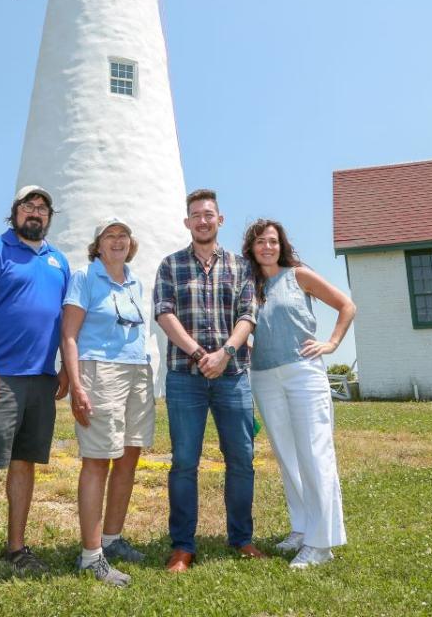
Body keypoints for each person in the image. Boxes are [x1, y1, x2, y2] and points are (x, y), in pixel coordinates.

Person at [0, 185, 71, 593]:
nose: (35, 213)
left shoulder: (59, 261)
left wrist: (62, 367)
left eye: (42, 207)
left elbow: (62, 319)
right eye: (28, 206)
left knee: (25, 461)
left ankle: (16, 548)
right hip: (1, 376)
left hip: (42, 379)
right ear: (15, 212)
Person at [153, 188, 262, 572]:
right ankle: (183, 545)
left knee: (242, 459)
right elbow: (164, 314)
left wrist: (225, 353)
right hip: (185, 378)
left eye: (209, 214)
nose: (203, 220)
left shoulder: (240, 266)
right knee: (184, 462)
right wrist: (200, 355)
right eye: (196, 214)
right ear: (187, 222)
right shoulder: (169, 266)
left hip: (233, 376)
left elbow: (248, 315)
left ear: (221, 219)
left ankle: (242, 538)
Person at [241, 218, 356, 569]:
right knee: (288, 455)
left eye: (273, 241)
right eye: (261, 242)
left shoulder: (298, 275)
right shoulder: (249, 287)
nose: (267, 247)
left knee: (315, 453)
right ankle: (302, 528)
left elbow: (345, 305)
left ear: (282, 244)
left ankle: (322, 544)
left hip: (303, 373)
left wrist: (332, 343)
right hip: (264, 376)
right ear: (252, 248)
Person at [60, 218, 154, 587]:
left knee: (129, 455)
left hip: (136, 370)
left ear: (131, 244)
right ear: (97, 245)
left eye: (123, 235)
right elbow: (69, 334)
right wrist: (77, 386)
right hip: (99, 370)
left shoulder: (135, 281)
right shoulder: (84, 277)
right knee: (98, 460)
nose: (117, 241)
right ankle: (91, 555)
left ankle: (112, 540)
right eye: (109, 236)